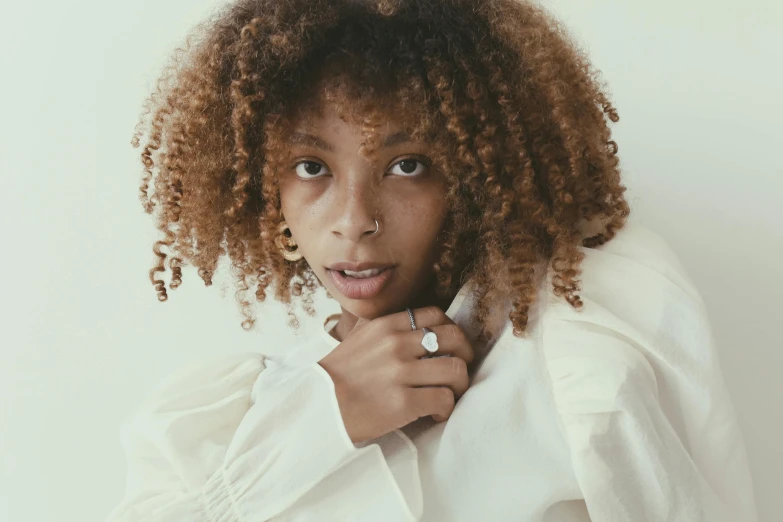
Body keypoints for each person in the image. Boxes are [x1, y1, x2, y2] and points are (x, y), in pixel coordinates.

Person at [106, 0, 758, 520]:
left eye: (406, 166)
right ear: (261, 186)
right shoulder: (220, 423)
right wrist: (322, 415)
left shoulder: (578, 346)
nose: (354, 218)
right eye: (311, 168)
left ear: (477, 172)